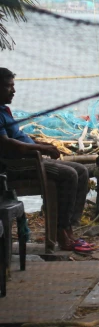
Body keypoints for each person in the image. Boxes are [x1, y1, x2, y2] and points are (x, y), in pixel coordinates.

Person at [0, 68, 92, 252]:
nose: (13, 91)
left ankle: (69, 227)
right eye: (9, 86)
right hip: (19, 166)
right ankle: (60, 231)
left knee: (82, 171)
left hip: (32, 159)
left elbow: (18, 136)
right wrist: (42, 149)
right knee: (69, 174)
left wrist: (39, 142)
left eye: (13, 86)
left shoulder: (4, 110)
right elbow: (8, 144)